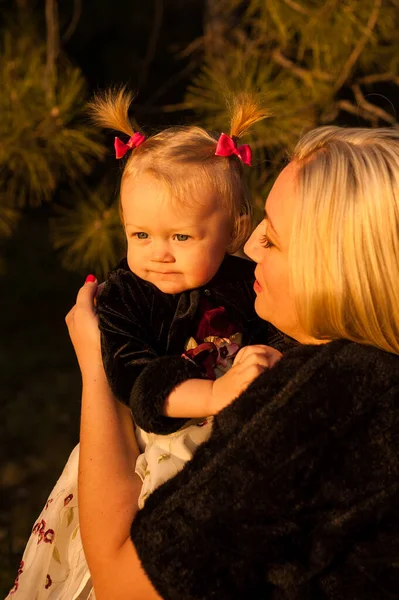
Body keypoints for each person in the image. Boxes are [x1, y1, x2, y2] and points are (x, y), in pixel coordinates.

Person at [67, 125, 399, 599]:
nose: (248, 246)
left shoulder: (327, 401)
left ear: (339, 266)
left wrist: (97, 366)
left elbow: (122, 586)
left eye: (276, 239)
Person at [7, 90, 288, 599]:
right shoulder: (123, 298)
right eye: (139, 236)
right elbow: (133, 377)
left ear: (232, 231)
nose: (158, 254)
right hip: (145, 451)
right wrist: (213, 397)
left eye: (181, 238)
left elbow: (279, 333)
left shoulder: (247, 282)